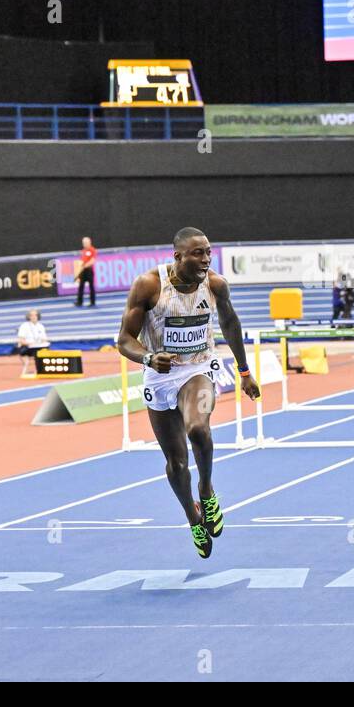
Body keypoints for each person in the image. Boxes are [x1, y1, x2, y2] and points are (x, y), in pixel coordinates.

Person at [118, 228, 260, 558]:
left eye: (208, 252)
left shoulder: (215, 284)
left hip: (198, 369)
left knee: (198, 428)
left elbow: (230, 323)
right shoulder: (149, 285)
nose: (206, 259)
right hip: (160, 376)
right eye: (198, 253)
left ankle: (207, 491)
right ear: (178, 257)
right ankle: (193, 518)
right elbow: (124, 339)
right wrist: (149, 357)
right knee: (176, 462)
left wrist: (244, 371)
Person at [17, 309, 51, 377]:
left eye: (35, 315)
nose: (33, 316)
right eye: (31, 315)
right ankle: (38, 369)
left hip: (38, 346)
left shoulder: (41, 326)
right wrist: (30, 344)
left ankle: (45, 369)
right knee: (37, 351)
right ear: (28, 317)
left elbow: (44, 339)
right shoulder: (24, 326)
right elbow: (21, 340)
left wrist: (45, 342)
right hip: (26, 348)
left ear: (38, 316)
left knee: (46, 348)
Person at [75, 236, 97, 308]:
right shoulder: (83, 251)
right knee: (81, 286)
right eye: (83, 243)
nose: (84, 244)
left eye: (86, 242)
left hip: (89, 271)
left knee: (91, 287)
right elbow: (82, 261)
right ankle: (79, 302)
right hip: (83, 271)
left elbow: (92, 260)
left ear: (89, 242)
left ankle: (92, 302)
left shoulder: (92, 250)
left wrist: (85, 266)